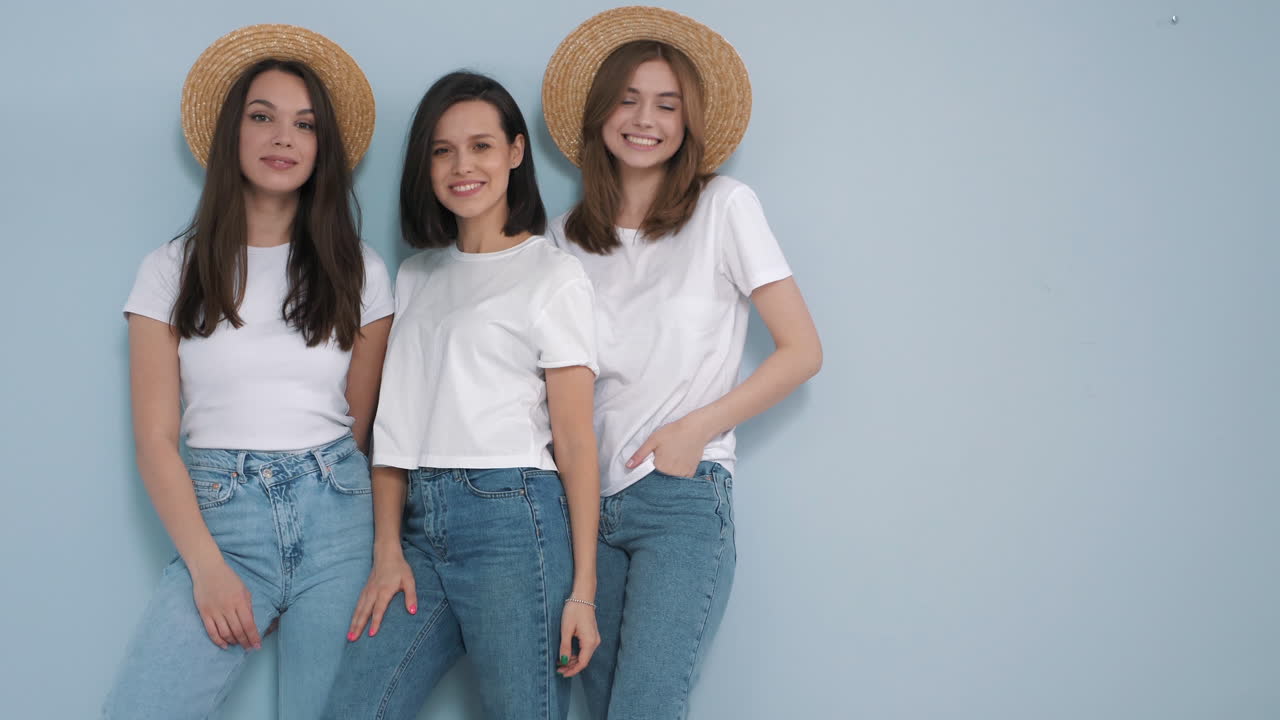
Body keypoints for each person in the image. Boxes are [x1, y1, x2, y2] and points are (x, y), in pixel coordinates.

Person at [102, 24, 392, 720]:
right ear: (234, 132)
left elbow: (361, 425)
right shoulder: (171, 268)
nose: (283, 138)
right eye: (263, 117)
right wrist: (207, 566)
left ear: (322, 149)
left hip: (338, 521)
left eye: (304, 124)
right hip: (223, 523)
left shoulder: (362, 271)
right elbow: (154, 441)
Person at [541, 7, 823, 718]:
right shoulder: (559, 241)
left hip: (680, 501)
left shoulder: (725, 208)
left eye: (667, 104)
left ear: (689, 123)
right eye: (629, 99)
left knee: (646, 706)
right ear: (602, 113)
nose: (646, 119)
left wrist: (697, 429)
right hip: (582, 514)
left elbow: (802, 352)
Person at [322, 71, 601, 720]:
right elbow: (395, 428)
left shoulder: (553, 275)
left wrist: (582, 591)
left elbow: (578, 441)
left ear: (515, 152)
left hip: (513, 521)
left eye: (480, 146)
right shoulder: (417, 274)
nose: (461, 165)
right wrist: (387, 548)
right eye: (442, 150)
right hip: (421, 525)